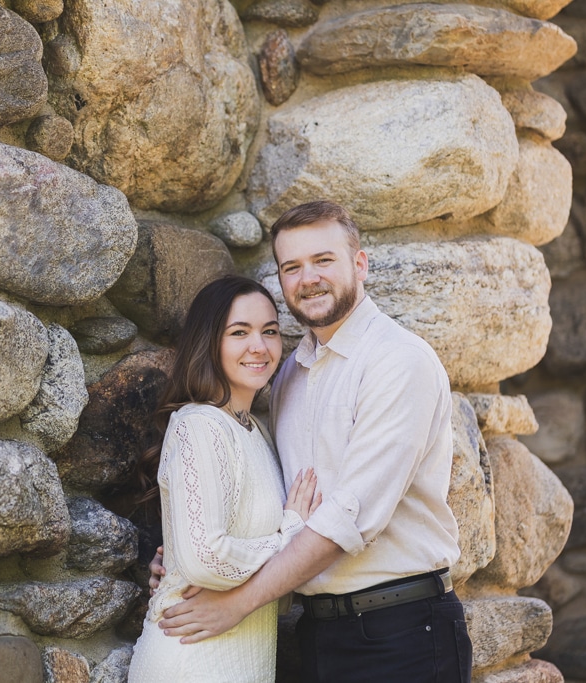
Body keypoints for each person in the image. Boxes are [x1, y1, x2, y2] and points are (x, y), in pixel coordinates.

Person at [152, 201, 473, 683]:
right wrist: (186, 559)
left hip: (402, 631)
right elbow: (273, 505)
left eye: (324, 260)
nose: (309, 278)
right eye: (292, 267)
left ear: (359, 264)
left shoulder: (397, 362)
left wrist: (237, 601)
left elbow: (348, 516)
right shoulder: (287, 378)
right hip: (317, 635)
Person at [127, 275, 321, 683]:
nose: (259, 346)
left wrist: (176, 560)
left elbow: (277, 593)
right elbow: (207, 560)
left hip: (242, 657)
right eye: (239, 332)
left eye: (269, 331)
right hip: (190, 660)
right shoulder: (198, 425)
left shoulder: (257, 432)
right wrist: (290, 535)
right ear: (210, 342)